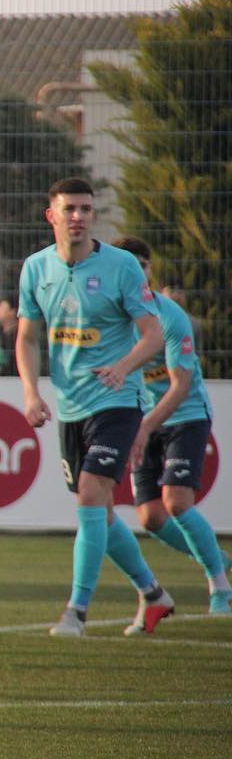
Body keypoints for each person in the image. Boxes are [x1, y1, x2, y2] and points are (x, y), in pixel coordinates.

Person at [16, 178, 171, 637]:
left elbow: (153, 334)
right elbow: (26, 336)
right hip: (70, 405)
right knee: (98, 513)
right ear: (52, 216)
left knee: (90, 494)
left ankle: (76, 613)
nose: (78, 217)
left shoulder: (122, 267)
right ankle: (153, 592)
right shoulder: (35, 269)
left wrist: (124, 367)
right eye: (70, 209)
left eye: (86, 209)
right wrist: (30, 392)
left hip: (118, 401)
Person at [114, 236, 229, 619]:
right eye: (126, 264)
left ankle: (219, 587)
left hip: (185, 416)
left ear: (148, 271)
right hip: (142, 422)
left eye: (141, 265)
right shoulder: (114, 321)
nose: (135, 272)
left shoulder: (169, 316)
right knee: (150, 517)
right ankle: (217, 557)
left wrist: (145, 425)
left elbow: (180, 387)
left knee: (177, 503)